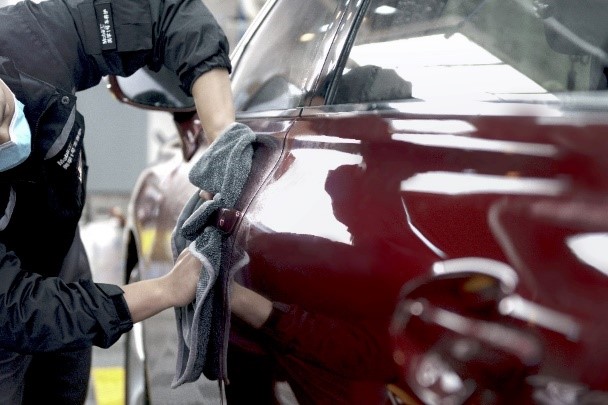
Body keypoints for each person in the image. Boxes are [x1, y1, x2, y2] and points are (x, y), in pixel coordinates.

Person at [0, 0, 236, 402]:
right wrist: (165, 290)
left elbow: (164, 12)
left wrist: (223, 138)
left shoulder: (32, 38)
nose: (8, 138)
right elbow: (18, 311)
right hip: (9, 314)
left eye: (3, 117)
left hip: (62, 253)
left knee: (66, 388)